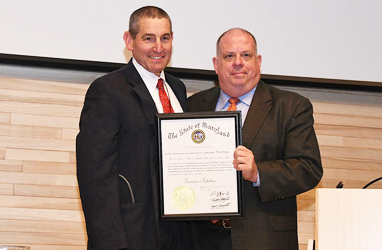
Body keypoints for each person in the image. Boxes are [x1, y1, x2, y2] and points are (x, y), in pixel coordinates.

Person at [187, 28, 323, 250]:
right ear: (216, 63)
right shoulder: (193, 105)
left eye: (246, 55)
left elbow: (309, 169)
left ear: (258, 61)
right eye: (229, 56)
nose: (238, 62)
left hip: (265, 240)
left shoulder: (291, 107)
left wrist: (258, 172)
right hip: (203, 239)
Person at [76, 6, 191, 250]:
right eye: (148, 38)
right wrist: (112, 243)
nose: (158, 48)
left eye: (165, 38)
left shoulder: (178, 89)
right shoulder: (107, 90)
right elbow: (95, 176)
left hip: (177, 234)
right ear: (130, 41)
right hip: (132, 236)